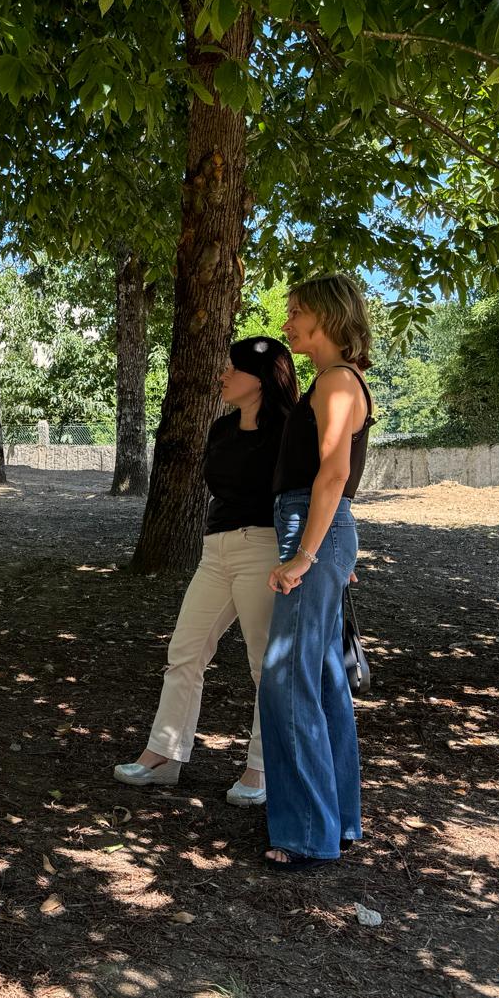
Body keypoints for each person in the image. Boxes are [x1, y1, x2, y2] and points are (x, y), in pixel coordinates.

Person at [114, 336, 300, 804]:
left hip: (264, 549)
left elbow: (306, 495)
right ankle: (164, 756)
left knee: (265, 666)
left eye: (232, 369)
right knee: (185, 651)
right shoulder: (220, 430)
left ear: (258, 380)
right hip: (215, 550)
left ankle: (261, 768)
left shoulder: (290, 431)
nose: (223, 374)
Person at [258, 275, 376, 871]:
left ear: (327, 316)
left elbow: (332, 475)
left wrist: (306, 555)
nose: (287, 324)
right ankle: (339, 821)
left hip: (312, 524)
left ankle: (307, 833)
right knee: (324, 679)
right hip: (318, 528)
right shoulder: (335, 380)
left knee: (287, 680)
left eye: (296, 312)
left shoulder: (335, 381)